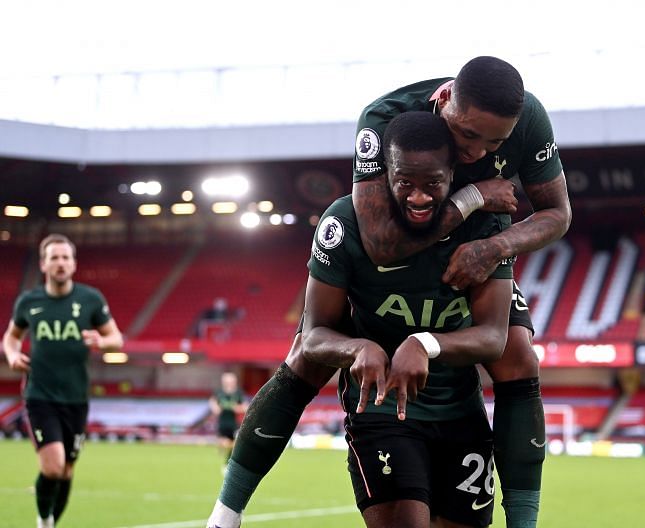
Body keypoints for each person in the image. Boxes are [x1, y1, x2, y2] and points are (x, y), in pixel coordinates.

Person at [207, 56, 571, 528]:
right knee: (310, 349)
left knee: (518, 353)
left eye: (495, 143)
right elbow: (380, 241)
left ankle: (524, 522)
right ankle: (225, 513)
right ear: (442, 103)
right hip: (400, 251)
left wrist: (495, 246)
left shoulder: (529, 119)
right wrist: (471, 197)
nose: (478, 153)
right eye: (466, 136)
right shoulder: (382, 121)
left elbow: (557, 214)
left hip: (476, 245)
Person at [2, 234, 124, 528]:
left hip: (76, 398)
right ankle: (43, 522)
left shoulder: (90, 299)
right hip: (39, 394)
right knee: (54, 466)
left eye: (65, 257)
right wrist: (11, 354)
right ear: (43, 265)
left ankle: (52, 522)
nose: (60, 263)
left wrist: (101, 340)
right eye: (54, 258)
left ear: (74, 264)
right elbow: (11, 337)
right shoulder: (29, 302)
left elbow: (116, 339)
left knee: (67, 471)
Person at [209, 371, 247, 468]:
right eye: (227, 380)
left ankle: (227, 463)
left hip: (234, 423)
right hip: (222, 423)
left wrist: (236, 408)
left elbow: (245, 407)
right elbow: (212, 402)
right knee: (225, 444)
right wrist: (215, 407)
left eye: (231, 380)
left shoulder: (239, 393)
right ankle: (226, 457)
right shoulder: (219, 392)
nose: (229, 382)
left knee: (234, 445)